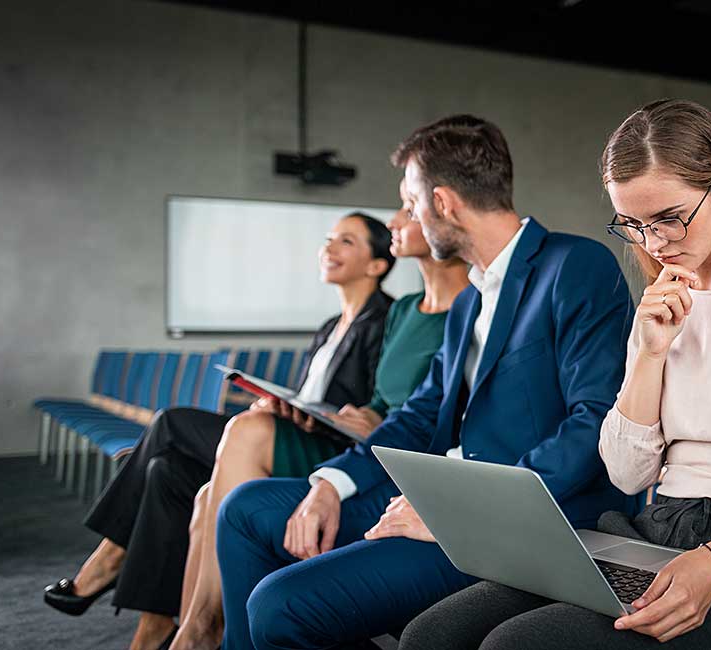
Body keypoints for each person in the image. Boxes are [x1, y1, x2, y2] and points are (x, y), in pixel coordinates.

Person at [399, 98, 711, 650]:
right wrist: (651, 353)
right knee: (431, 635)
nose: (654, 244)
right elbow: (627, 475)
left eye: (669, 218)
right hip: (653, 534)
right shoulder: (662, 304)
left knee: (519, 644)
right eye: (633, 225)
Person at [213, 114, 642, 650]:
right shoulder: (467, 302)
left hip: (524, 523)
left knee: (279, 605)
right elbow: (418, 417)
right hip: (441, 497)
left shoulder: (574, 266)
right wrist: (332, 483)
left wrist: (463, 510)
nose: (407, 215)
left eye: (411, 201)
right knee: (245, 509)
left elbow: (593, 421)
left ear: (443, 203)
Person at [44, 212, 396, 650]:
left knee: (171, 422)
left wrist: (310, 414)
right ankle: (155, 629)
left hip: (322, 448)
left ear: (377, 264)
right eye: (328, 238)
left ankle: (111, 557)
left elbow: (365, 408)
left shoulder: (383, 320)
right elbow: (310, 394)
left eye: (346, 241)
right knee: (165, 471)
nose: (329, 247)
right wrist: (278, 403)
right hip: (288, 429)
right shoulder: (329, 326)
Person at [167, 181, 470, 650]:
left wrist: (365, 429)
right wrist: (351, 423)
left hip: (404, 460)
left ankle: (202, 627)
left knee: (235, 441)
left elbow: (435, 415)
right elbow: (388, 401)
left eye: (408, 209)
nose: (394, 220)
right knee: (206, 491)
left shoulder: (471, 309)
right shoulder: (405, 309)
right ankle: (193, 628)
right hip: (369, 443)